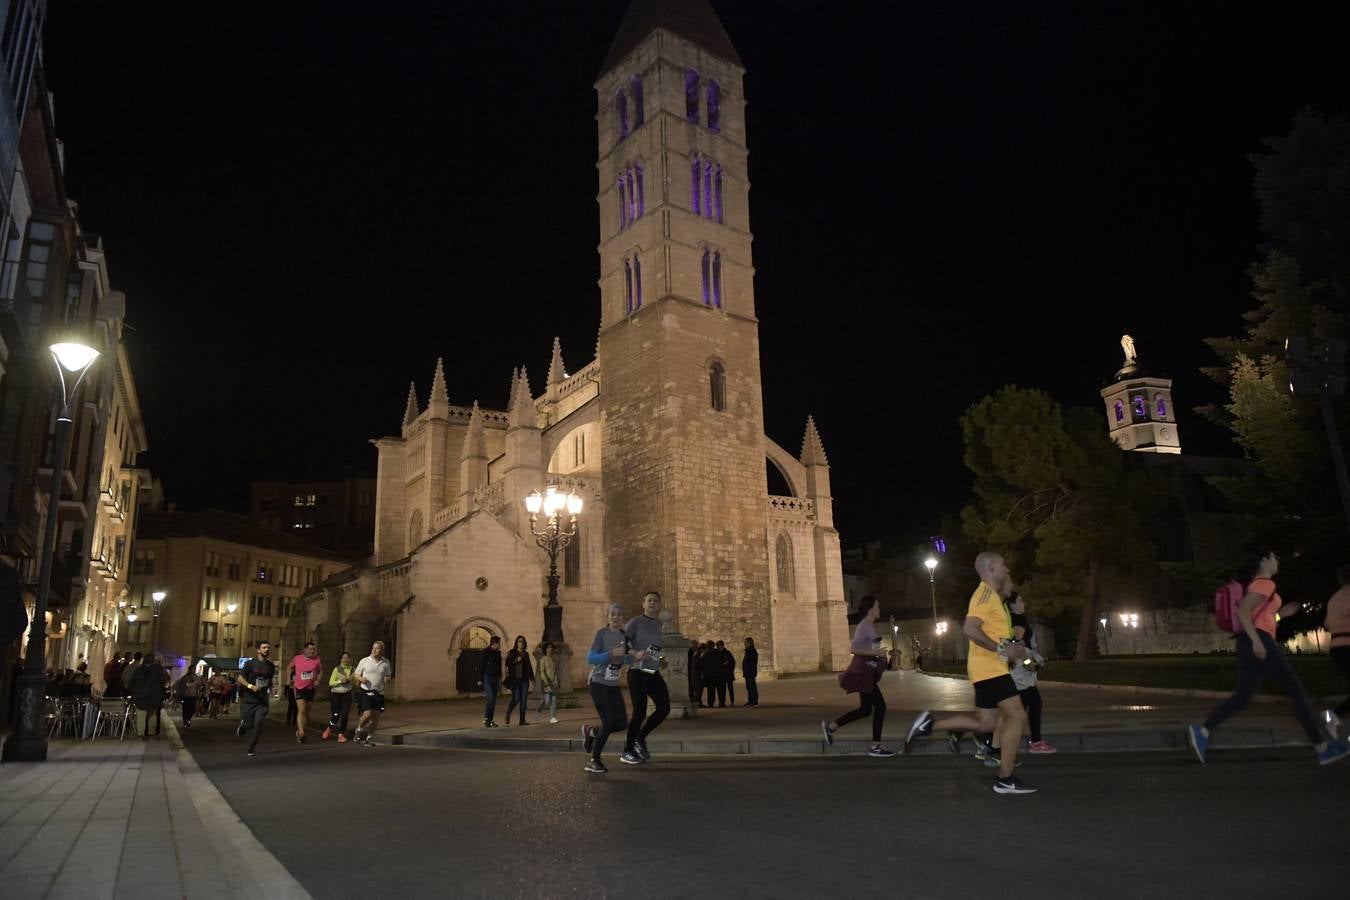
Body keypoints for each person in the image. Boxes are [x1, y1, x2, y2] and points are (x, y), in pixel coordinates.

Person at [1188, 552, 1350, 766]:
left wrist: (1281, 614)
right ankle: (1323, 748)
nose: (1277, 560)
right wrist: (1257, 641)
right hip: (1259, 641)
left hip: (1248, 641)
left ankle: (1202, 731)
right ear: (1263, 563)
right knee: (1296, 691)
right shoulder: (1264, 584)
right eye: (1273, 557)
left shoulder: (1259, 585)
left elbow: (1259, 616)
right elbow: (1243, 612)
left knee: (1243, 697)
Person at [905, 552, 1037, 794]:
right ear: (989, 568)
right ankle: (1005, 778)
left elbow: (993, 635)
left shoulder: (992, 598)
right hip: (990, 668)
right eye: (1003, 566)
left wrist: (1012, 649)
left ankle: (929, 725)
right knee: (1017, 717)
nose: (1007, 570)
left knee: (986, 722)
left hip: (986, 668)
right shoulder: (985, 594)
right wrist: (1001, 648)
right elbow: (970, 628)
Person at [820, 596, 896, 758]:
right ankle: (876, 746)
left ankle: (831, 726)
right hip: (862, 673)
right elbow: (854, 649)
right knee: (880, 707)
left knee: (865, 710)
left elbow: (868, 649)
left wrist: (881, 655)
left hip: (866, 672)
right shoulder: (864, 626)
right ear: (870, 610)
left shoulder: (869, 626)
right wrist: (875, 652)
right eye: (877, 607)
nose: (879, 609)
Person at [581, 603, 632, 774]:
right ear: (608, 618)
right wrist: (610, 654)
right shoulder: (601, 634)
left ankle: (592, 732)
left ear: (623, 618)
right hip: (598, 683)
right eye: (613, 614)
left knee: (621, 723)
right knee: (609, 721)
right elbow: (591, 658)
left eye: (619, 614)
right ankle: (594, 760)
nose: (616, 617)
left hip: (613, 685)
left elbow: (625, 659)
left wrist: (634, 658)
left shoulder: (625, 636)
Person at [622, 591, 670, 764]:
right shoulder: (636, 622)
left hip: (653, 673)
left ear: (659, 605)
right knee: (639, 713)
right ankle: (627, 751)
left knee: (664, 708)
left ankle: (639, 737)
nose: (652, 603)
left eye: (656, 601)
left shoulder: (657, 625)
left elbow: (655, 651)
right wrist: (635, 652)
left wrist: (662, 661)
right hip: (636, 672)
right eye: (649, 600)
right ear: (643, 604)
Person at [1009, 593, 1055, 754]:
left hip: (1023, 675)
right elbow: (1020, 650)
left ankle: (1035, 741)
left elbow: (1026, 648)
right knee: (1018, 712)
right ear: (1012, 605)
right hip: (1020, 676)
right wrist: (1032, 665)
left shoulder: (1020, 620)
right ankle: (1033, 742)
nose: (1024, 602)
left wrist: (1035, 661)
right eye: (1020, 600)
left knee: (1031, 705)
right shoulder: (1016, 621)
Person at [236, 642, 277, 757]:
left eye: (268, 648)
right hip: (249, 699)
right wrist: (250, 686)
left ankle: (251, 748)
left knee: (258, 723)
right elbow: (240, 678)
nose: (267, 649)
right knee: (249, 724)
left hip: (262, 701)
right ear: (258, 650)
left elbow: (269, 680)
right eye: (264, 648)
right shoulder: (250, 663)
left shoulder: (271, 666)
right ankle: (243, 726)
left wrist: (272, 688)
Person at [1326, 565, 1350, 739]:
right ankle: (1332, 716)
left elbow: (1327, 624)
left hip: (1337, 647)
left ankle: (1333, 717)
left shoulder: (1334, 599)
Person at [353, 641, 392, 746]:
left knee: (375, 718)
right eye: (373, 648)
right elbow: (356, 674)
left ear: (382, 650)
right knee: (367, 714)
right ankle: (359, 729)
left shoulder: (386, 662)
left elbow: (388, 674)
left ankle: (369, 738)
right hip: (366, 690)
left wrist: (386, 679)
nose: (374, 650)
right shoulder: (365, 661)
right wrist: (361, 679)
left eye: (377, 648)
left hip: (378, 692)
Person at [287, 641, 323, 742]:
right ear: (305, 650)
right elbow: (289, 667)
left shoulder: (317, 659)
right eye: (310, 649)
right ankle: (301, 731)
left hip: (311, 688)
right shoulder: (297, 658)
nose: (312, 651)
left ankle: (300, 730)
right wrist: (288, 679)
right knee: (301, 710)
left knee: (307, 711)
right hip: (299, 687)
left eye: (314, 649)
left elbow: (321, 671)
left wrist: (318, 680)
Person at [128, 653, 167, 739]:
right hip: (154, 696)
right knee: (152, 715)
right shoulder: (159, 670)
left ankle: (141, 733)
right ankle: (151, 732)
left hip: (139, 696)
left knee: (141, 715)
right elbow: (163, 681)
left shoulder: (138, 670)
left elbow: (131, 683)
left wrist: (134, 692)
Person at [503, 635, 535, 726]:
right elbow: (507, 663)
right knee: (516, 699)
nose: (521, 643)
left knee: (524, 700)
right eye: (519, 641)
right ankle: (508, 712)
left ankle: (522, 720)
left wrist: (532, 679)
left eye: (522, 641)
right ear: (516, 643)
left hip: (524, 680)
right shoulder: (512, 652)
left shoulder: (526, 654)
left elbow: (529, 667)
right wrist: (516, 660)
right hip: (515, 680)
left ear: (524, 643)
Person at [324, 651, 354, 741]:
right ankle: (329, 728)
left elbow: (355, 681)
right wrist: (341, 681)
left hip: (347, 694)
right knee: (336, 715)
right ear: (341, 659)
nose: (346, 659)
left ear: (350, 659)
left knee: (345, 714)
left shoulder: (353, 670)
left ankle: (341, 735)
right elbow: (330, 683)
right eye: (344, 658)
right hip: (336, 695)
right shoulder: (337, 669)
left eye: (347, 658)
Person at [478, 635, 502, 727]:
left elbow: (499, 666)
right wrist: (479, 679)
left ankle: (490, 720)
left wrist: (500, 678)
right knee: (490, 698)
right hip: (487, 677)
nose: (499, 645)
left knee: (494, 700)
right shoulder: (485, 652)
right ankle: (486, 718)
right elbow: (481, 665)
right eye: (499, 643)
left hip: (495, 678)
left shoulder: (497, 653)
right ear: (495, 643)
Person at [536, 642, 560, 724]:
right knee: (546, 701)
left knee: (554, 700)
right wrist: (546, 683)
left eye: (551, 648)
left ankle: (552, 717)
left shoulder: (553, 660)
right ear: (545, 650)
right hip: (546, 683)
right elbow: (542, 672)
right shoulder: (542, 660)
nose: (550, 649)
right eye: (548, 648)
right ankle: (539, 712)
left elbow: (555, 672)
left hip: (553, 683)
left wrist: (556, 681)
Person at [701, 641, 724, 708]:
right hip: (718, 674)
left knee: (711, 690)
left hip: (709, 675)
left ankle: (710, 704)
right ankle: (721, 703)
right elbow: (721, 662)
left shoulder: (706, 654)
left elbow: (702, 663)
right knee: (720, 690)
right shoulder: (718, 653)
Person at [718, 640, 736, 706]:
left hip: (728, 673)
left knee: (730, 688)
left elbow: (732, 662)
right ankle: (722, 702)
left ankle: (732, 701)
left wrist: (731, 669)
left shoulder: (727, 653)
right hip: (722, 674)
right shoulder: (718, 653)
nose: (718, 648)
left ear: (722, 646)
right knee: (722, 689)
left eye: (719, 646)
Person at [742, 637, 759, 707]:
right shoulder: (748, 651)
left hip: (750, 672)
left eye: (745, 642)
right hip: (748, 672)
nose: (744, 644)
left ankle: (754, 702)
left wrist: (748, 669)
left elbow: (751, 662)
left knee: (752, 687)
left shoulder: (751, 651)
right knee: (749, 687)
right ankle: (750, 700)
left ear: (749, 643)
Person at [688, 639, 704, 706]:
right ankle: (695, 702)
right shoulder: (691, 653)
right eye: (695, 645)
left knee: (696, 688)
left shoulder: (694, 652)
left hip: (693, 672)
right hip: (692, 672)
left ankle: (697, 702)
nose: (696, 647)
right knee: (695, 688)